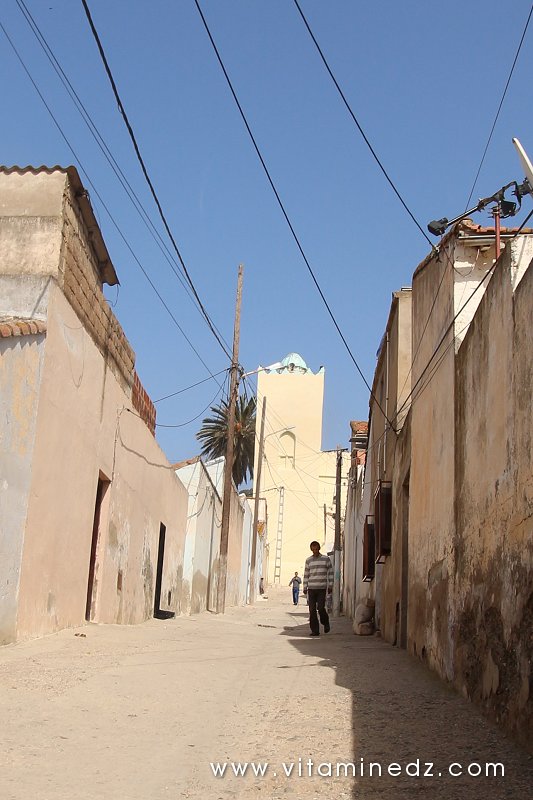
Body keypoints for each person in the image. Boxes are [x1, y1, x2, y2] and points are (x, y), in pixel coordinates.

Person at [302, 541, 333, 636]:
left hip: (321, 588)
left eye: (316, 549)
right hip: (311, 588)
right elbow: (306, 574)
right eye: (313, 549)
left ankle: (325, 622)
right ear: (311, 549)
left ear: (319, 548)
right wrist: (305, 586)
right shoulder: (308, 560)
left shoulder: (326, 559)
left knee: (320, 608)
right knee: (312, 610)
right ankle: (315, 630)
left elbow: (331, 572)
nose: (315, 551)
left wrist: (330, 585)